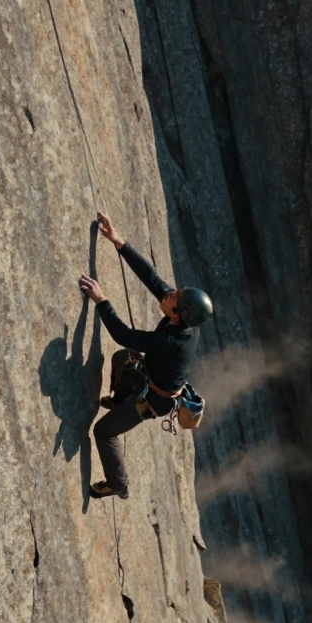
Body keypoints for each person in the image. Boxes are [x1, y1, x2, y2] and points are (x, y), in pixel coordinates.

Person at [77, 212, 214, 499]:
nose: (169, 293)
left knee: (103, 432)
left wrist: (102, 301)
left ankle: (118, 483)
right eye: (175, 292)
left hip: (153, 401)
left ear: (176, 315)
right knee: (122, 358)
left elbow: (123, 334)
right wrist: (119, 241)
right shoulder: (184, 317)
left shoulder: (171, 341)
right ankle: (119, 400)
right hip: (150, 376)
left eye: (173, 296)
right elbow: (152, 279)